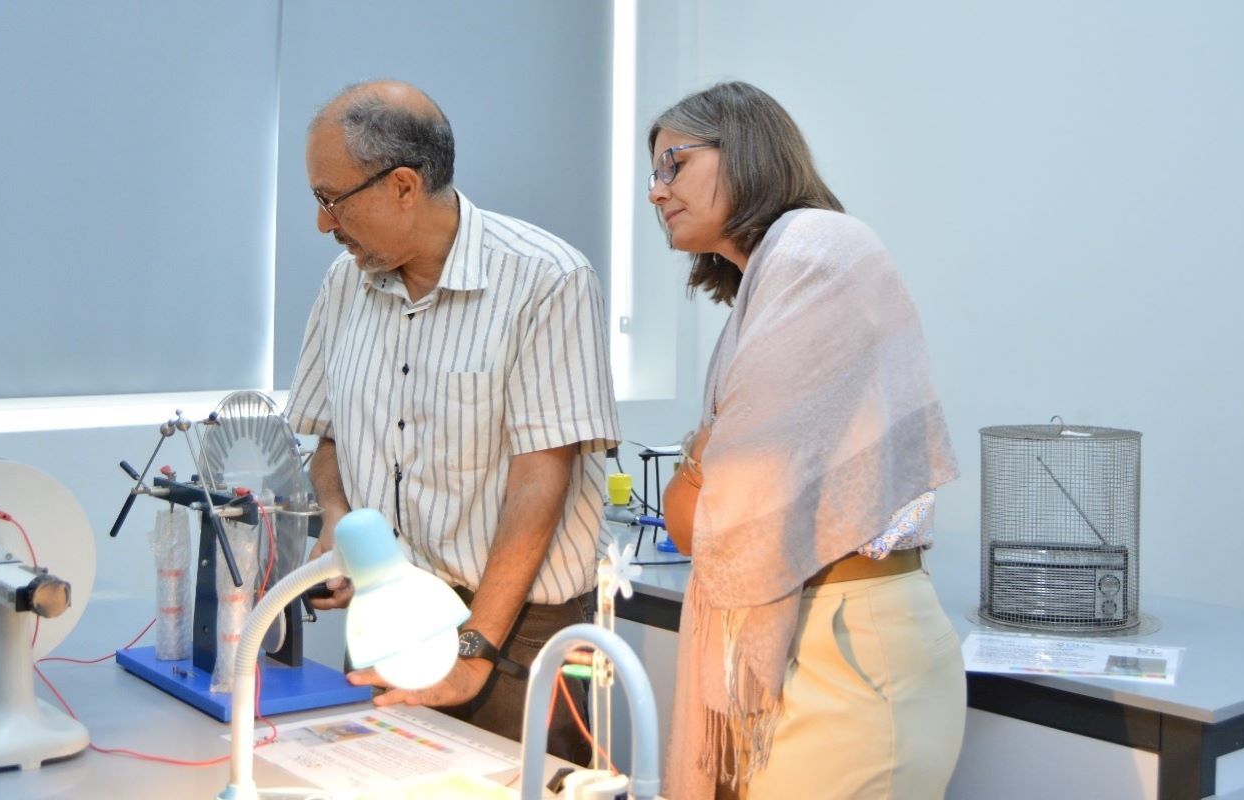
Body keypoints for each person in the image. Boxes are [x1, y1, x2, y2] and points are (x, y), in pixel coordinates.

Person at [286, 80, 619, 764]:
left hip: (517, 633)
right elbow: (328, 435)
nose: (322, 223)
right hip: (389, 612)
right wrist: (340, 521)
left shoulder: (546, 280)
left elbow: (540, 480)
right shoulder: (344, 284)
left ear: (403, 185)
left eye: (330, 198)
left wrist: (474, 649)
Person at [651, 81, 965, 798]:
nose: (655, 190)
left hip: (851, 648)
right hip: (819, 632)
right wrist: (708, 451)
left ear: (746, 151)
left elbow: (707, 520)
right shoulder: (769, 280)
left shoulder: (817, 249)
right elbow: (704, 509)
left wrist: (703, 450)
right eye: (654, 171)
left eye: (675, 163)